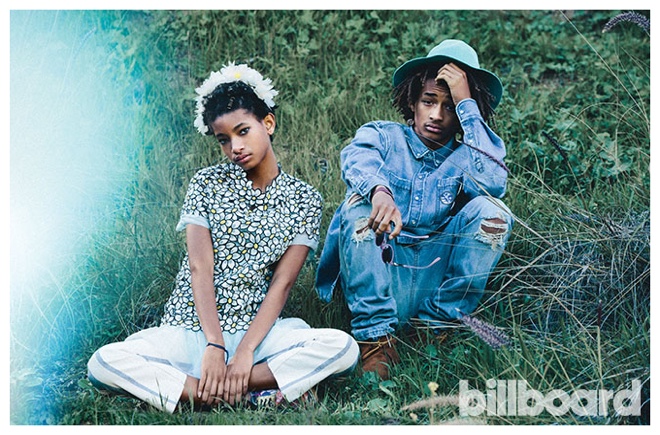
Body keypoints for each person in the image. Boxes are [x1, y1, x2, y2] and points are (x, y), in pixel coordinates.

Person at [87, 63, 359, 413]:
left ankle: (232, 385)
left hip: (258, 335)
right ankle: (214, 392)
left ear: (268, 124)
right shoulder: (206, 183)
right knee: (103, 363)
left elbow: (282, 284)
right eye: (224, 139)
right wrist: (213, 346)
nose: (235, 147)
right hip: (191, 330)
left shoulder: (304, 198)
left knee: (343, 349)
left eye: (243, 131)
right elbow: (200, 268)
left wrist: (245, 352)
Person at [315, 39, 513, 380]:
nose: (437, 115)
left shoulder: (468, 156)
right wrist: (380, 192)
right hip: (383, 272)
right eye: (429, 101)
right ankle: (377, 340)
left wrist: (468, 102)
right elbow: (356, 158)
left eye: (450, 106)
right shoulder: (384, 136)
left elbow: (494, 180)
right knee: (355, 209)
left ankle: (436, 327)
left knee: (493, 212)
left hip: (434, 277)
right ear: (412, 101)